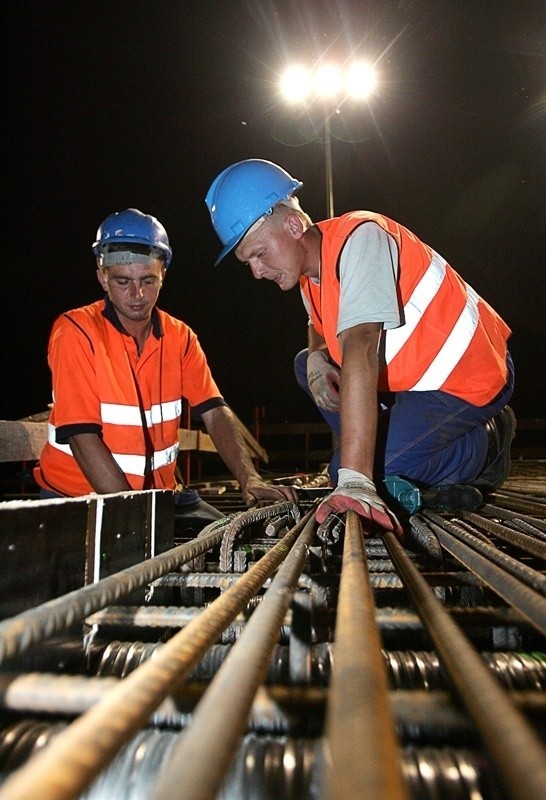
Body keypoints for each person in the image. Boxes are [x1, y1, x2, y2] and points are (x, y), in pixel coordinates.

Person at [205, 159, 515, 535]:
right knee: (306, 365)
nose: (256, 271)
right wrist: (318, 354)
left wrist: (354, 480)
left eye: (259, 253)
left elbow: (362, 347)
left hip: (470, 378)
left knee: (350, 468)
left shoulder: (361, 240)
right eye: (247, 262)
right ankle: (390, 452)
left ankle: (488, 440)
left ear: (292, 224)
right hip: (415, 386)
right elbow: (318, 324)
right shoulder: (309, 272)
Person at [34, 207, 296, 513]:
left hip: (157, 499)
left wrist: (249, 478)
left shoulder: (180, 337)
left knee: (223, 533)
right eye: (122, 282)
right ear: (102, 278)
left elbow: (214, 411)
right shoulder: (76, 332)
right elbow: (80, 436)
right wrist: (136, 516)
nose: (137, 294)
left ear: (163, 276)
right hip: (76, 501)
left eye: (148, 280)